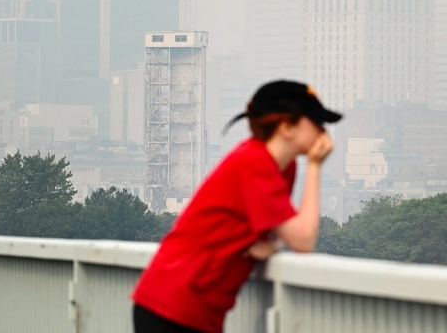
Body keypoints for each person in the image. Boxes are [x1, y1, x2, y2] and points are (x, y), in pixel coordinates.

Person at [131, 80, 341, 333]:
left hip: (199, 308)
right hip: (173, 306)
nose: (323, 131)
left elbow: (278, 230)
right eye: (316, 122)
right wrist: (316, 166)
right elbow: (303, 239)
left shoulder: (280, 167)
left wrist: (273, 244)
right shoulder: (255, 163)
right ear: (287, 127)